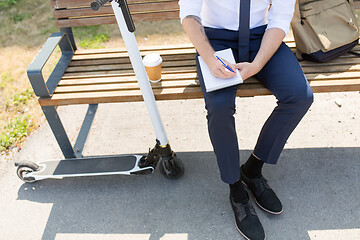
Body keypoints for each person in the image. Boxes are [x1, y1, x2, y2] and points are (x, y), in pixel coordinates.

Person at [179, 0, 314, 239]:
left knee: (299, 96)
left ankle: (252, 170)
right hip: (215, 41)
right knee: (219, 107)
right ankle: (236, 189)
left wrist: (258, 64)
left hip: (261, 38)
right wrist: (210, 59)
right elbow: (189, 14)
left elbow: (281, 17)